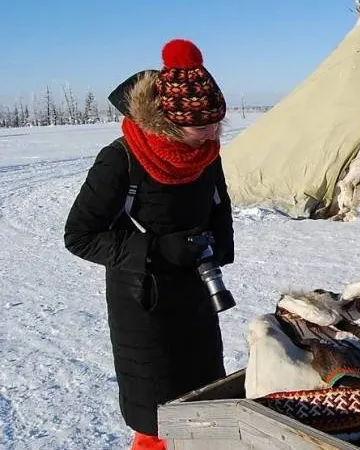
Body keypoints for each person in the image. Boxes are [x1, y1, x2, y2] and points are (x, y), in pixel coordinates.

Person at [64, 39, 234, 450]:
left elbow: (218, 203)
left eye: (217, 123)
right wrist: (159, 250)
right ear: (172, 121)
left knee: (206, 400)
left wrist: (218, 246)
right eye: (203, 126)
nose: (213, 133)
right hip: (143, 305)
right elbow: (79, 236)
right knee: (156, 416)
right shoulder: (120, 159)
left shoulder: (206, 154)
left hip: (196, 293)